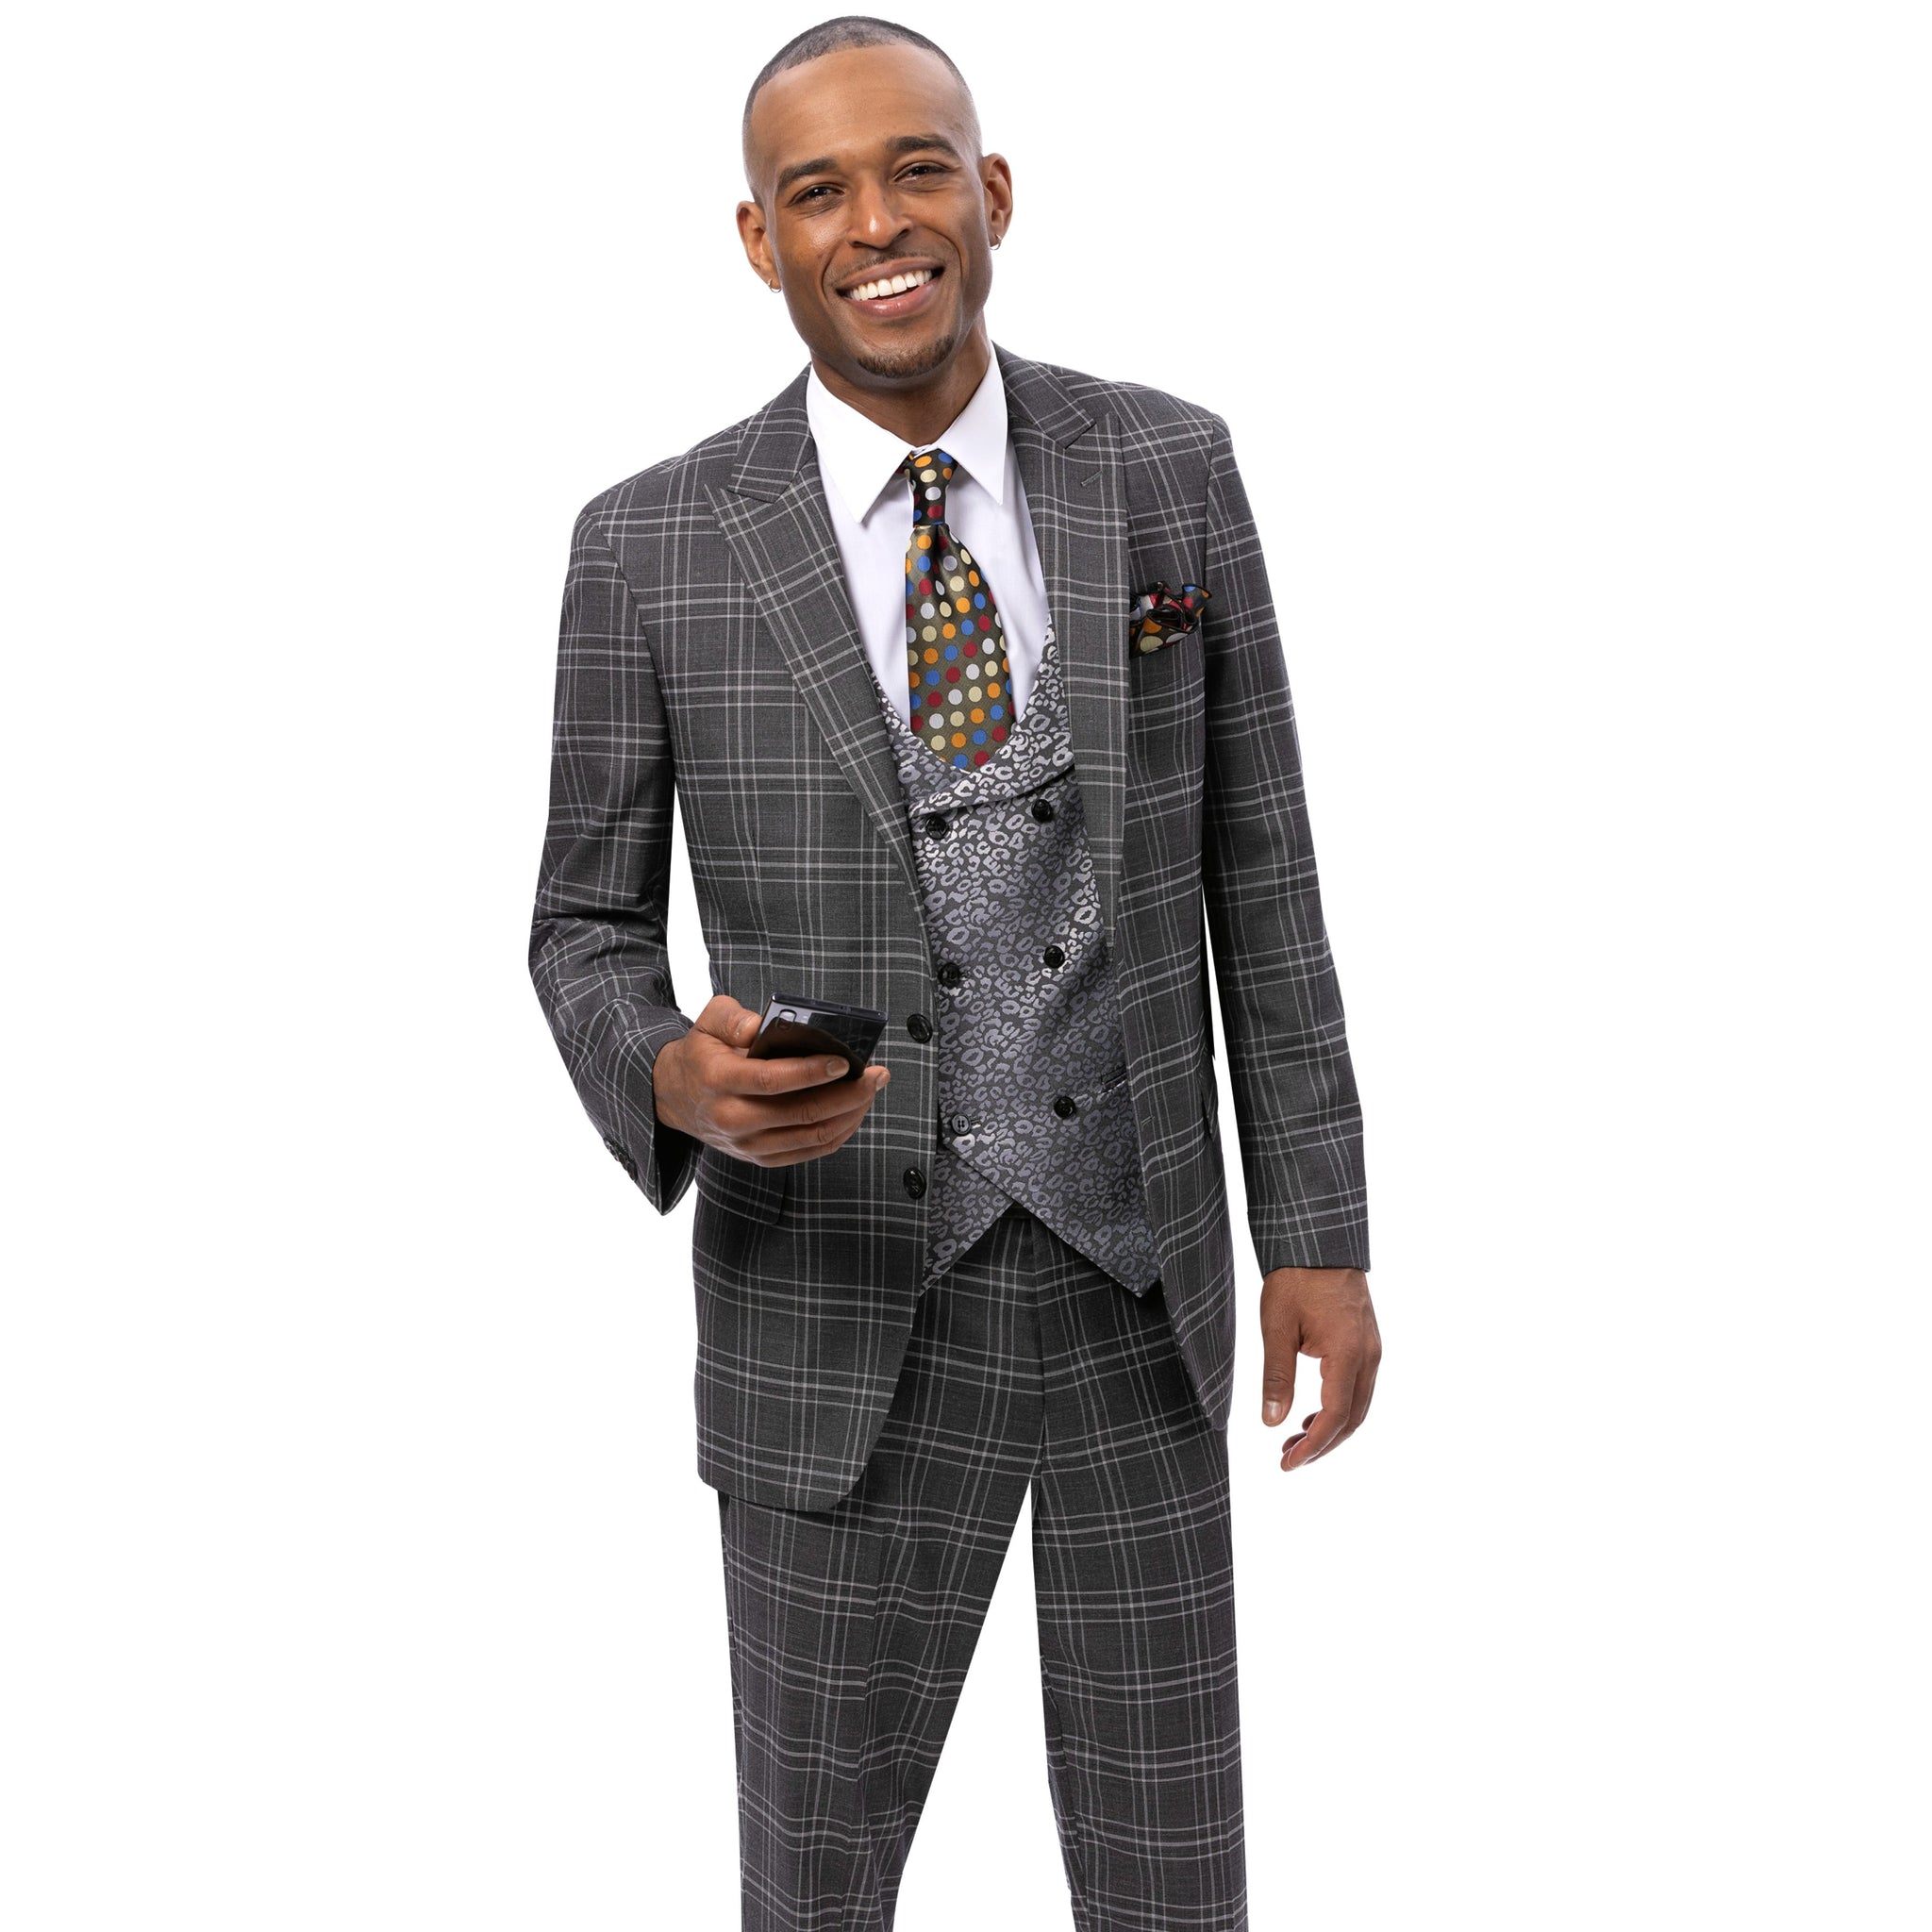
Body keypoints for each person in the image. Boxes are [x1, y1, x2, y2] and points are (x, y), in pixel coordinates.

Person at [528, 15, 1379, 1928]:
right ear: (758, 239)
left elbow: (1264, 868)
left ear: (990, 192)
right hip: (838, 1308)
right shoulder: (650, 545)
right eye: (815, 189)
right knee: (817, 1886)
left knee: (1174, 1880)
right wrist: (670, 1072)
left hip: (1137, 1288)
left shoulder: (1168, 467)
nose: (877, 222)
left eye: (918, 167)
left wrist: (1315, 1235)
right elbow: (581, 926)